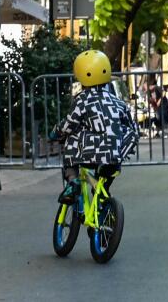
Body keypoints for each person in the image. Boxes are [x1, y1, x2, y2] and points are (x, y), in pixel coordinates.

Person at [51, 50, 139, 204]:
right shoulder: (117, 102)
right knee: (103, 182)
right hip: (113, 158)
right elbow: (133, 129)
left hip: (88, 156)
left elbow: (68, 125)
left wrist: (55, 134)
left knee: (71, 137)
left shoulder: (82, 100)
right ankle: (102, 195)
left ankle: (73, 182)